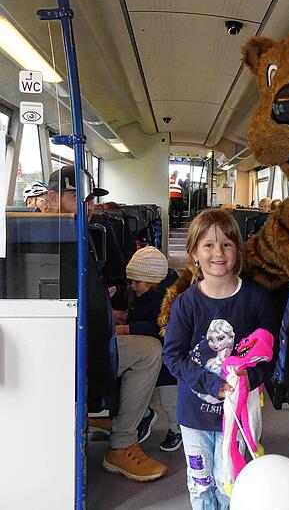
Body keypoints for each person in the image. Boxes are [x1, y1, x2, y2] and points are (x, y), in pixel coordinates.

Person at [47, 166, 167, 481]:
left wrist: (109, 316)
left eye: (89, 200)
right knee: (150, 350)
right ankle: (122, 443)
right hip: (65, 347)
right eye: (77, 198)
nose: (87, 207)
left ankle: (105, 418)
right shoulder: (56, 238)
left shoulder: (79, 234)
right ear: (51, 197)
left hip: (78, 336)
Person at [162, 209, 277, 509]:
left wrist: (250, 379)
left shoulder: (257, 299)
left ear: (238, 251)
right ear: (194, 253)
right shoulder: (185, 304)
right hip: (195, 416)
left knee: (231, 484)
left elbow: (268, 354)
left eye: (227, 244)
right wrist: (213, 385)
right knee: (201, 485)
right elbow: (173, 355)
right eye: (208, 245)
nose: (218, 252)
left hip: (239, 416)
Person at [110, 246, 182, 452]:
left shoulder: (167, 300)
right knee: (141, 392)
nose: (131, 286)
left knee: (170, 400)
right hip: (148, 358)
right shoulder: (141, 291)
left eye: (136, 282)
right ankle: (146, 415)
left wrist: (126, 328)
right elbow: (130, 306)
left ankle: (176, 429)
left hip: (169, 363)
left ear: (153, 283)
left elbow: (158, 327)